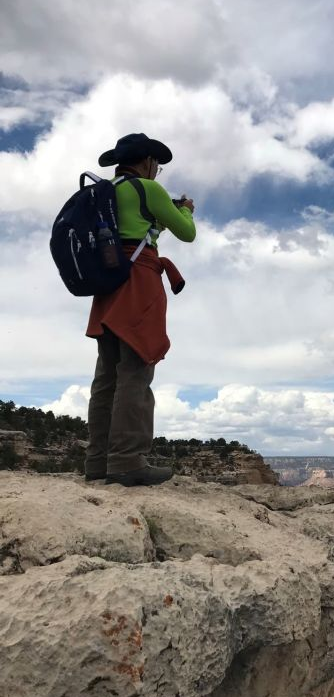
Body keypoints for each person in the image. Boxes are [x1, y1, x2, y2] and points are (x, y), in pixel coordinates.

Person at [84, 133, 196, 486]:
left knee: (106, 377)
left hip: (107, 282)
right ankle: (128, 461)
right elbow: (187, 233)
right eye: (156, 165)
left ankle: (97, 462)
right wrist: (183, 210)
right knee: (135, 370)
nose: (157, 171)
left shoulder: (105, 191)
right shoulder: (149, 190)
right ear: (147, 161)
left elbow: (135, 228)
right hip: (139, 281)